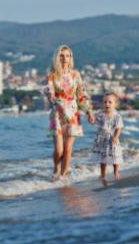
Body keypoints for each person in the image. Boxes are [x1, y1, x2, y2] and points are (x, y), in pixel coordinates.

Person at [43, 45, 95, 181]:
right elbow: (49, 91)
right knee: (59, 150)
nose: (64, 58)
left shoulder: (75, 75)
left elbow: (81, 94)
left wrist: (89, 111)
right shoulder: (52, 76)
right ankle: (56, 168)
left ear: (70, 58)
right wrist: (51, 97)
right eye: (61, 55)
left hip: (73, 114)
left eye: (67, 56)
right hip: (57, 114)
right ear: (57, 58)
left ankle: (63, 177)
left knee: (67, 149)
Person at [92, 92, 124, 184]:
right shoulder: (100, 114)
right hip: (102, 139)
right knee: (103, 158)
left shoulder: (117, 116)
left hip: (112, 139)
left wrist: (115, 137)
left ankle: (116, 171)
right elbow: (94, 121)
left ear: (115, 104)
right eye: (105, 102)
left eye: (110, 102)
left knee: (115, 157)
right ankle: (103, 174)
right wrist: (90, 116)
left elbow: (119, 128)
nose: (107, 104)